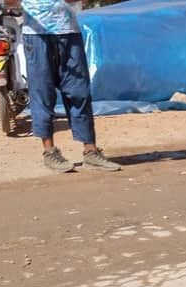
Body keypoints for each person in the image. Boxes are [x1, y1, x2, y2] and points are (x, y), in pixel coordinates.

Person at [19, 0, 120, 172]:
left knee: (79, 91)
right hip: (36, 37)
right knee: (43, 93)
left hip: (69, 32)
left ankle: (91, 152)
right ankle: (50, 152)